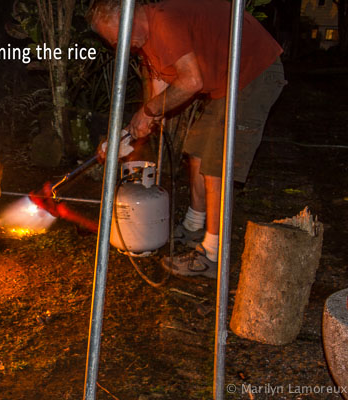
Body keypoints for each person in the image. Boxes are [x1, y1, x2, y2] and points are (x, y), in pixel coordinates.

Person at [88, 0, 286, 278]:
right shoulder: (147, 39)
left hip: (254, 72)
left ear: (130, 17)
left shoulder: (165, 22)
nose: (120, 47)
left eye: (118, 38)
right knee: (197, 153)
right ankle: (195, 224)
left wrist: (149, 112)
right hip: (226, 83)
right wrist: (132, 133)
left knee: (216, 165)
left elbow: (192, 81)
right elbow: (159, 90)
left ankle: (213, 255)